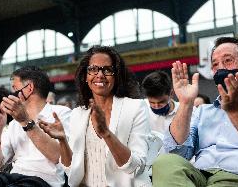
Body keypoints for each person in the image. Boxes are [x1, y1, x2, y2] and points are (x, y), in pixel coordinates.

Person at [40, 46, 155, 186]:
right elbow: (71, 170)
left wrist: (106, 134)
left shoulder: (135, 108)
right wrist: (63, 140)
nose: (100, 75)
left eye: (107, 70)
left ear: (117, 76)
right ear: (86, 77)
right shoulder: (78, 114)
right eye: (93, 69)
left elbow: (136, 167)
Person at [152, 37, 238, 186]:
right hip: (198, 176)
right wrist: (186, 103)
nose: (220, 67)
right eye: (215, 64)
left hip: (235, 176)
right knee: (164, 162)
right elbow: (176, 152)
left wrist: (235, 111)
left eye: (228, 60)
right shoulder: (202, 112)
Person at [0, 66, 71, 187]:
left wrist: (25, 121)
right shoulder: (14, 124)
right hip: (15, 177)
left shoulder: (61, 113)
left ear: (29, 88)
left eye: (15, 88)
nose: (12, 92)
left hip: (43, 179)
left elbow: (57, 156)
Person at [141, 71, 179, 144]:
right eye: (151, 102)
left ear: (171, 94)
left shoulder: (183, 111)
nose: (156, 107)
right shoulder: (141, 108)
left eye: (161, 102)